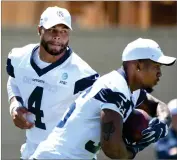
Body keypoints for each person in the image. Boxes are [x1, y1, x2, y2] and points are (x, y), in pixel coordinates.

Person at [30, 38, 176, 159]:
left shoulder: (131, 89)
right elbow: (113, 150)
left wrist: (163, 121)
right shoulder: (115, 89)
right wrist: (138, 147)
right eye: (156, 66)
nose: (159, 73)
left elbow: (158, 106)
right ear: (138, 65)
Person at [6, 6, 99, 159]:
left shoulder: (83, 74)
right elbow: (14, 79)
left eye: (64, 31)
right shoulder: (19, 57)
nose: (58, 36)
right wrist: (15, 105)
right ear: (39, 30)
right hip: (32, 149)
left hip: (67, 154)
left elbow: (97, 111)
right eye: (52, 30)